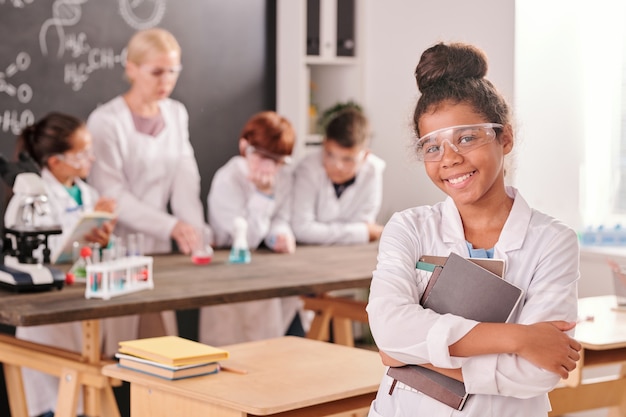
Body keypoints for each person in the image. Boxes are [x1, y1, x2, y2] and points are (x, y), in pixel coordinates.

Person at [366, 42, 582, 417]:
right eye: (431, 147)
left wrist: (415, 355)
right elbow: (389, 330)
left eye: (466, 138)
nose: (449, 159)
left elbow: (538, 370)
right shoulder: (408, 228)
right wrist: (518, 338)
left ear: (506, 138)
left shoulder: (552, 241)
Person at [87, 28, 209, 340]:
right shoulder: (106, 121)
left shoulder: (176, 114)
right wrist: (170, 226)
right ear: (131, 68)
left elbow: (185, 178)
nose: (165, 81)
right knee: (115, 344)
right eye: (156, 72)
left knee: (158, 342)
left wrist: (194, 234)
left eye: (173, 71)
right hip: (116, 248)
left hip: (159, 252)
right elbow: (111, 193)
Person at [4, 112, 116, 417]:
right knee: (54, 399)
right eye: (81, 154)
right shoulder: (35, 195)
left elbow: (86, 252)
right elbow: (46, 250)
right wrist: (85, 223)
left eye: (90, 152)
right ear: (55, 161)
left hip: (79, 302)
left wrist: (102, 237)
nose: (89, 160)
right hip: (47, 314)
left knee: (86, 396)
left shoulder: (87, 191)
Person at [199, 111, 301, 346]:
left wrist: (281, 235)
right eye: (260, 156)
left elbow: (281, 216)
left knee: (266, 349)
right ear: (244, 146)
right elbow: (248, 238)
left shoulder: (283, 177)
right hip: (227, 273)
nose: (267, 166)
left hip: (264, 274)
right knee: (227, 345)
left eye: (275, 160)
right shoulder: (227, 179)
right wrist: (263, 196)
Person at [291, 107, 385, 244]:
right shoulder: (307, 168)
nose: (337, 166)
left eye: (347, 159)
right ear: (324, 144)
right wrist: (361, 232)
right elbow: (301, 229)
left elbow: (364, 223)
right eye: (330, 154)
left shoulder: (373, 171)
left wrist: (360, 231)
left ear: (365, 156)